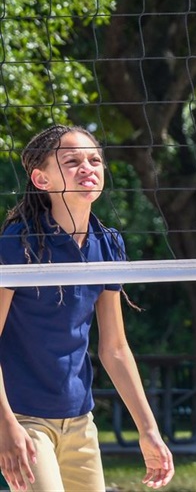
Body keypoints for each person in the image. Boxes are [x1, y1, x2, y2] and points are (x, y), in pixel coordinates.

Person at [0, 124, 174, 491]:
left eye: (95, 160)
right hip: (22, 418)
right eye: (72, 161)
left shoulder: (108, 244)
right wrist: (6, 426)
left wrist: (149, 430)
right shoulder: (18, 244)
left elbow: (114, 348)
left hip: (79, 420)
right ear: (41, 179)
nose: (88, 168)